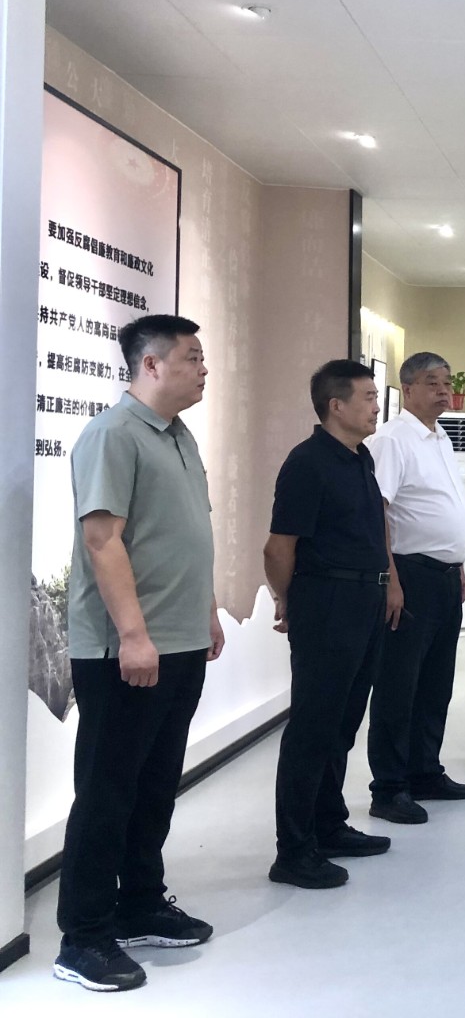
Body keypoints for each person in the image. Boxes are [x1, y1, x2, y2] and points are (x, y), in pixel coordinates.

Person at [53, 314, 225, 993]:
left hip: (179, 642)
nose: (203, 368)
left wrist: (205, 611)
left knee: (155, 785)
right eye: (192, 357)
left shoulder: (178, 435)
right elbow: (103, 539)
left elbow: (183, 534)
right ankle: (84, 937)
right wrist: (132, 634)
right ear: (150, 365)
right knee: (107, 790)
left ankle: (140, 904)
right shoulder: (112, 434)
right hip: (124, 649)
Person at [263, 360, 393, 890]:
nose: (376, 406)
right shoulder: (307, 463)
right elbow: (278, 548)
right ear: (336, 405)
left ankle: (328, 825)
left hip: (364, 598)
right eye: (368, 397)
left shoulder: (360, 457)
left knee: (342, 722)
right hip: (328, 600)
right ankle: (294, 850)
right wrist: (288, 599)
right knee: (313, 727)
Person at [365, 352, 465, 824]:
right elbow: (378, 513)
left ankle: (425, 771)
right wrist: (390, 579)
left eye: (447, 382)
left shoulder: (440, 437)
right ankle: (389, 788)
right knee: (399, 685)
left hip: (444, 577)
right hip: (409, 577)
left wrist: (459, 564)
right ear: (407, 389)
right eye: (432, 382)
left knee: (435, 682)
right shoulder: (392, 440)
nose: (444, 390)